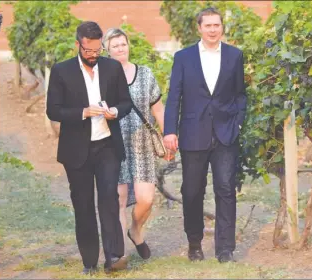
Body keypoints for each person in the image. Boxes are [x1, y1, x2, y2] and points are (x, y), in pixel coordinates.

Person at [46, 21, 133, 274]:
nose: (94, 56)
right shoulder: (61, 71)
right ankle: (89, 262)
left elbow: (125, 103)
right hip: (76, 150)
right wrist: (83, 112)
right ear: (78, 45)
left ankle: (114, 257)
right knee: (83, 204)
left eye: (97, 51)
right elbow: (54, 110)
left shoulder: (112, 68)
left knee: (109, 198)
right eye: (89, 51)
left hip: (107, 146)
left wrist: (114, 111)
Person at [163, 7, 247, 263]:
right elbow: (174, 96)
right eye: (208, 25)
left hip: (225, 134)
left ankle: (225, 249)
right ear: (199, 28)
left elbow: (240, 94)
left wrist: (238, 123)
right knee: (192, 191)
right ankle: (194, 244)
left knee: (225, 189)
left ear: (222, 27)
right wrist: (169, 131)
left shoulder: (234, 56)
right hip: (192, 133)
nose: (213, 30)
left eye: (216, 25)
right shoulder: (183, 57)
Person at [103, 28, 167, 260]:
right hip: (113, 145)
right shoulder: (102, 77)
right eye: (115, 46)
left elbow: (157, 109)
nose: (120, 49)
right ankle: (119, 256)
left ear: (129, 46)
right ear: (107, 51)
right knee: (118, 201)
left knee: (146, 199)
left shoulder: (146, 74)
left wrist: (168, 134)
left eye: (123, 44)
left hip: (142, 145)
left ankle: (135, 231)